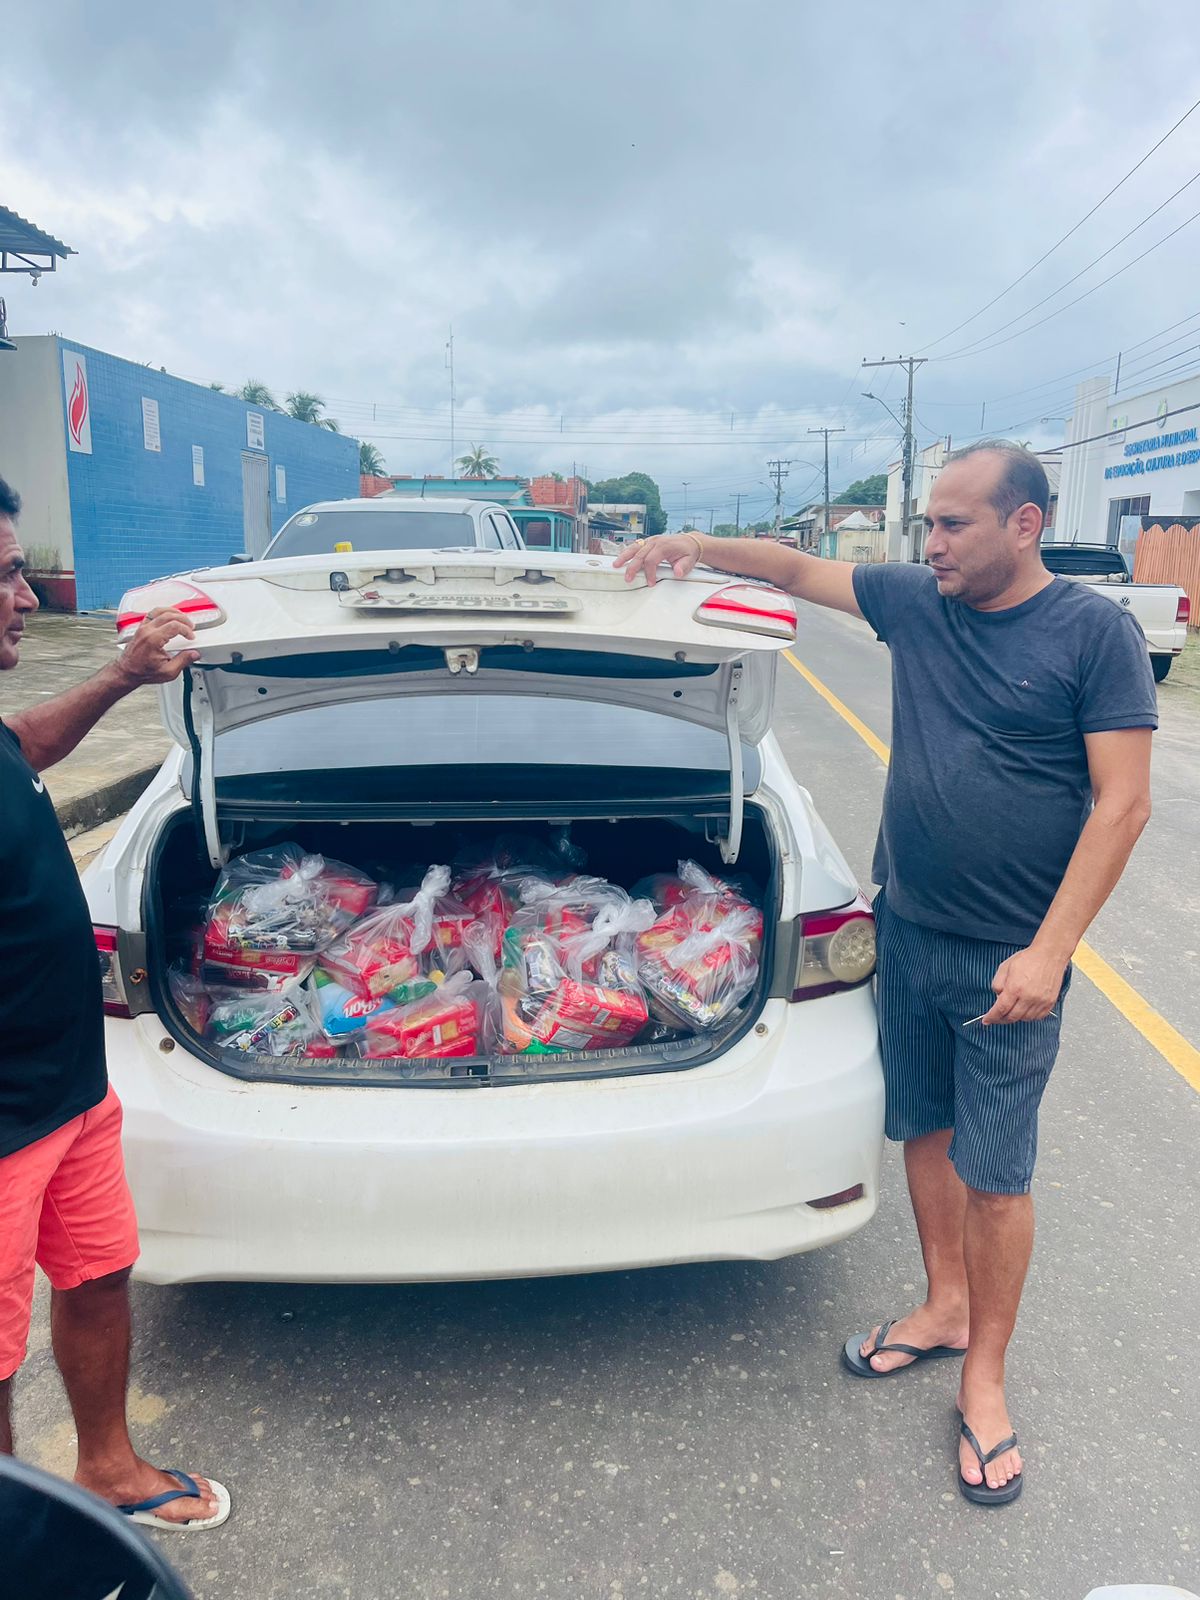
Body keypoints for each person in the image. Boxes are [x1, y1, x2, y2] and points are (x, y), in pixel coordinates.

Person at [617, 441, 1156, 1506]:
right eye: (929, 526)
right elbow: (786, 569)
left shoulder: (1094, 633)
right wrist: (691, 545)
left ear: (1025, 525)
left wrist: (1051, 952)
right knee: (923, 1128)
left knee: (998, 1175)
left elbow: (1124, 803)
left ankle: (988, 1380)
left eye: (954, 524)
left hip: (1014, 957)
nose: (932, 543)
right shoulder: (920, 604)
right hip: (908, 929)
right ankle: (942, 1306)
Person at [0, 475, 230, 1530]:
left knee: (96, 1276)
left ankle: (106, 1471)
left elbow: (29, 741)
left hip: (74, 1089)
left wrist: (129, 674)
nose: (29, 595)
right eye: (6, 574)